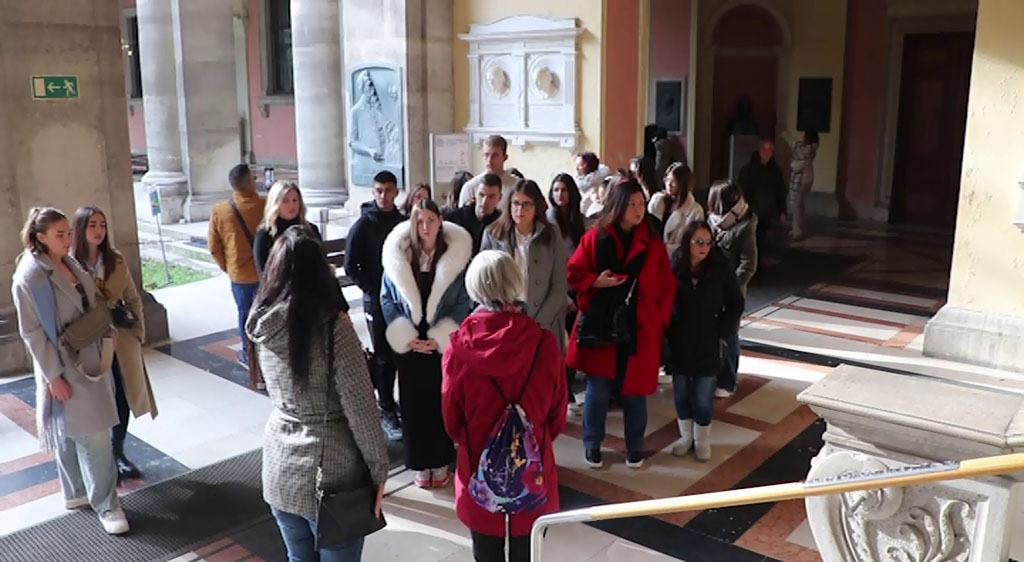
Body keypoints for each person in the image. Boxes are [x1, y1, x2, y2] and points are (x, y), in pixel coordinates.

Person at [247, 227, 389, 562]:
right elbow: (361, 409)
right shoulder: (334, 329)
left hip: (280, 465)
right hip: (332, 474)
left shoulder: (262, 326)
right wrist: (379, 470)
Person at [441, 250, 567, 562]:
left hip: (478, 469)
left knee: (486, 552)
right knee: (528, 550)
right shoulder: (544, 343)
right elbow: (557, 413)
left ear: (474, 287)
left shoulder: (458, 348)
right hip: (533, 468)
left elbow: (452, 420)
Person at [12, 207, 129, 535]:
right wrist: (53, 376)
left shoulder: (69, 262)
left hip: (88, 355)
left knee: (76, 430)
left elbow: (90, 305)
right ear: (40, 237)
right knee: (93, 435)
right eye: (59, 234)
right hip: (64, 363)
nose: (67, 239)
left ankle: (77, 492)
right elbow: (32, 333)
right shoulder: (31, 277)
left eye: (68, 233)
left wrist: (105, 331)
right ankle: (107, 504)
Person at [566, 178, 675, 469]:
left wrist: (658, 319)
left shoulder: (652, 243)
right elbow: (574, 272)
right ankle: (592, 444)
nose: (638, 210)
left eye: (641, 204)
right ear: (617, 205)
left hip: (639, 327)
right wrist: (595, 282)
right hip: (601, 325)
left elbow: (666, 285)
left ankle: (635, 446)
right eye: (632, 204)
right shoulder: (595, 237)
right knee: (598, 389)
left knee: (635, 392)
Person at [380, 200, 473, 487]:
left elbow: (463, 301)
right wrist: (406, 336)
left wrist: (440, 337)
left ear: (440, 221)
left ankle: (441, 460)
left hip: (440, 343)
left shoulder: (454, 257)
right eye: (419, 221)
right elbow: (387, 299)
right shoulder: (400, 256)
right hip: (409, 343)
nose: (425, 227)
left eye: (430, 220)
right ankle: (419, 463)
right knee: (412, 404)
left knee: (440, 402)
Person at [72, 206, 158, 482]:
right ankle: (101, 458)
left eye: (102, 225)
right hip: (90, 341)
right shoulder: (69, 264)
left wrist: (138, 333)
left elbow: (133, 297)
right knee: (97, 397)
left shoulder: (115, 260)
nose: (98, 231)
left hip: (120, 340)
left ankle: (117, 450)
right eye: (92, 225)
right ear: (80, 229)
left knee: (122, 395)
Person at [663, 220, 744, 461]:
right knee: (681, 393)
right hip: (680, 340)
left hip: (709, 339)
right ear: (687, 242)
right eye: (698, 242)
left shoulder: (720, 266)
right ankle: (686, 436)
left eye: (708, 242)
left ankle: (702, 439)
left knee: (702, 395)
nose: (704, 248)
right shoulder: (675, 265)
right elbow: (663, 298)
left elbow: (735, 302)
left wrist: (723, 331)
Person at [345, 171, 408, 441]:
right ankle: (385, 408)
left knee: (400, 352)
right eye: (379, 191)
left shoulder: (402, 223)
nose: (383, 196)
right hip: (375, 301)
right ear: (373, 192)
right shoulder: (362, 225)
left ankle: (399, 403)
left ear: (396, 192)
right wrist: (373, 290)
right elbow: (351, 265)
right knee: (382, 356)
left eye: (388, 190)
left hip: (401, 300)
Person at [482, 179, 568, 349]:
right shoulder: (493, 234)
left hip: (543, 322)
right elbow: (483, 283)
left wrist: (539, 323)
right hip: (503, 323)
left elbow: (559, 285)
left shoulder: (551, 235)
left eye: (526, 204)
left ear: (537, 206)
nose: (520, 210)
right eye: (515, 203)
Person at [209, 164, 266, 367]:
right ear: (250, 182)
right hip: (265, 272)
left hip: (239, 274)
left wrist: (228, 267)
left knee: (244, 314)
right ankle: (267, 353)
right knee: (266, 313)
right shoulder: (265, 205)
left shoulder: (220, 210)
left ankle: (247, 354)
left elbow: (213, 247)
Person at [707, 181, 758, 399]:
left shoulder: (744, 227)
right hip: (710, 286)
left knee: (729, 334)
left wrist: (730, 288)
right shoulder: (712, 221)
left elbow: (748, 264)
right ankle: (711, 373)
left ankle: (728, 381)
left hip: (731, 291)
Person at [547, 174, 586, 416]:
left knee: (574, 345)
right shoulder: (549, 222)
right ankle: (558, 393)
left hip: (577, 286)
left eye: (563, 190)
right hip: (557, 289)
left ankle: (567, 389)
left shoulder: (577, 220)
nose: (559, 195)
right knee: (558, 345)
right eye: (555, 190)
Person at [253, 180, 321, 277]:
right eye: (285, 201)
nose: (292, 205)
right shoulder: (265, 234)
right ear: (275, 203)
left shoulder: (311, 229)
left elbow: (322, 264)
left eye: (295, 200)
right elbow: (263, 274)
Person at [737, 139, 787, 260]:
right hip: (751, 209)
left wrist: (782, 210)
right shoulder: (748, 170)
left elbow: (780, 191)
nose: (766, 152)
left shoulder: (775, 170)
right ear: (759, 150)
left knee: (762, 238)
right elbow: (742, 189)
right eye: (764, 149)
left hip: (767, 211)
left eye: (769, 150)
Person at [445, 173, 503, 254]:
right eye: (481, 195)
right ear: (475, 194)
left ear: (499, 198)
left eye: (491, 197)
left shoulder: (501, 223)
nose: (484, 202)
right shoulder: (455, 217)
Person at [657, 163, 705, 254]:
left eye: (673, 181)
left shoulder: (695, 211)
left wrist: (665, 249)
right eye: (667, 180)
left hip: (677, 258)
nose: (669, 184)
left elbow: (694, 243)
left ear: (683, 184)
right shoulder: (660, 202)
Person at [458, 135, 519, 207]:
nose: (489, 160)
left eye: (495, 155)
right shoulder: (470, 187)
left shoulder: (517, 186)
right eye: (486, 155)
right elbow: (462, 213)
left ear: (505, 157)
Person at [784, 129, 819, 241]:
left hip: (805, 180)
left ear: (808, 139)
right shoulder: (806, 149)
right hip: (804, 179)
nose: (802, 138)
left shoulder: (807, 150)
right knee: (798, 205)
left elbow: (794, 145)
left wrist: (784, 133)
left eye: (804, 136)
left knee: (797, 204)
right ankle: (797, 229)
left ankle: (798, 232)